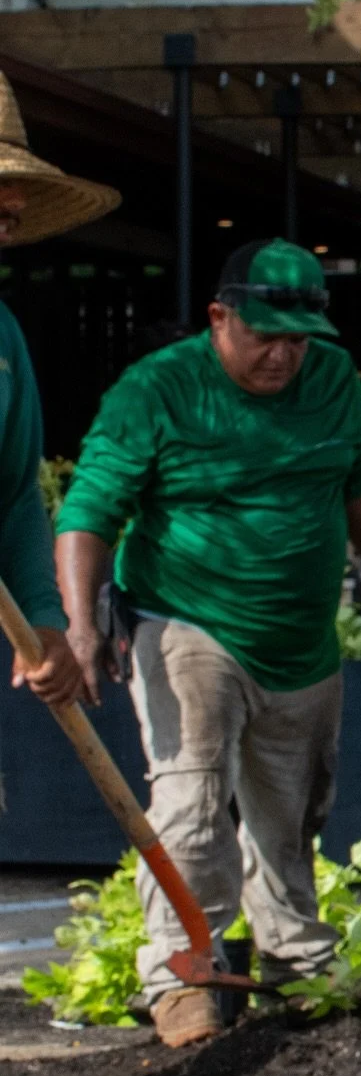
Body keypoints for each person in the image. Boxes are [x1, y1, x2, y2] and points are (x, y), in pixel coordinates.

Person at [54, 239, 361, 1048]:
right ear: (220, 318)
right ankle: (181, 970)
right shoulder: (158, 388)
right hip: (186, 620)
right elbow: (89, 511)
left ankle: (293, 959)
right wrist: (79, 625)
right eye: (266, 337)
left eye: (299, 340)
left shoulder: (332, 382)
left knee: (291, 812)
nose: (284, 356)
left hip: (300, 638)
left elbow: (358, 484)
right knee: (191, 800)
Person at [0, 70, 119, 709]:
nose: (2, 235)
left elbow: (16, 495)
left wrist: (47, 623)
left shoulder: (3, 336)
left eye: (9, 219)